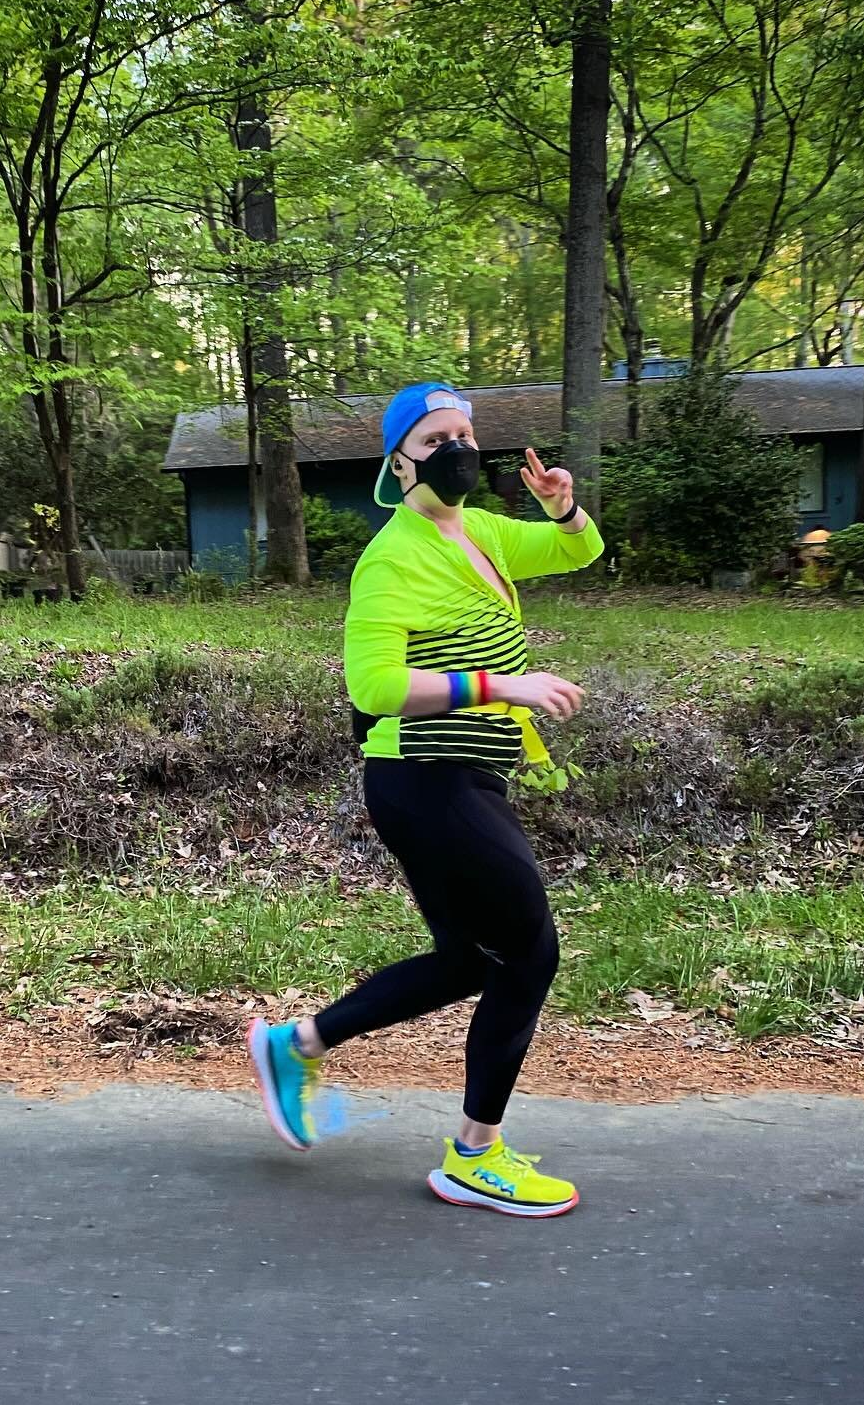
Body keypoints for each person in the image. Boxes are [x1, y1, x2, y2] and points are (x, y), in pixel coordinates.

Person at [247, 382, 604, 1217]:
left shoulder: (479, 531)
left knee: (471, 959)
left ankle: (293, 1045)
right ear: (399, 456)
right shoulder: (393, 555)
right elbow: (372, 685)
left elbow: (577, 555)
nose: (459, 448)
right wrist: (502, 686)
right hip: (422, 777)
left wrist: (564, 510)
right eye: (439, 435)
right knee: (529, 950)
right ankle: (475, 1157)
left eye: (467, 433)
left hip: (468, 779)